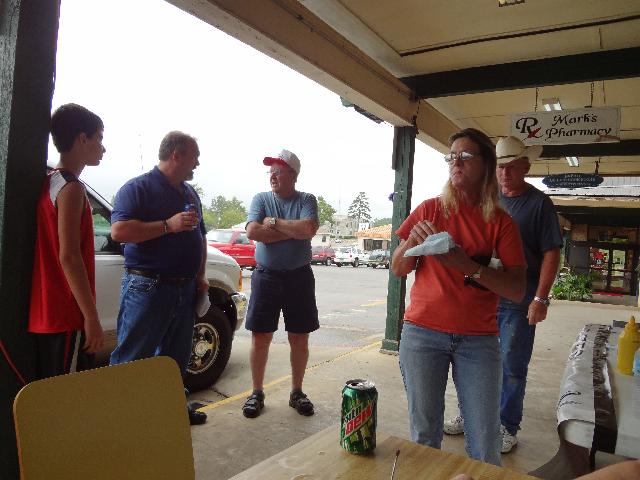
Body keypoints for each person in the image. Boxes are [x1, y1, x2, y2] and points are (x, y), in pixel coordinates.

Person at [392, 128, 526, 465]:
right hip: (422, 334)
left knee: (484, 441)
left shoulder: (501, 223)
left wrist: (468, 266)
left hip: (478, 340)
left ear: (486, 164)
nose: (456, 162)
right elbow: (398, 268)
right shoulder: (430, 210)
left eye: (465, 156)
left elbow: (516, 289)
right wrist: (412, 243)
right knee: (425, 436)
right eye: (451, 156)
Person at [444, 136, 562, 454]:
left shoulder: (539, 204)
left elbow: (551, 253)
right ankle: (471, 414)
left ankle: (507, 425)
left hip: (517, 298)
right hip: (482, 296)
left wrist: (540, 299)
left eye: (512, 167)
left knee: (512, 363)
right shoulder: (487, 199)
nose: (505, 173)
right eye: (501, 167)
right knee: (473, 360)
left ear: (526, 167)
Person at [109, 131, 208, 425]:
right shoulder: (137, 188)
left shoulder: (190, 194)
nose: (197, 163)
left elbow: (200, 237)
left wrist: (200, 276)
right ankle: (120, 422)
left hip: (185, 288)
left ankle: (170, 413)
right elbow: (119, 232)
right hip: (148, 287)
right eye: (194, 156)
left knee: (175, 359)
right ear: (176, 155)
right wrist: (168, 225)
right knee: (133, 358)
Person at [29, 103, 106, 379]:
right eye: (99, 138)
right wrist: (91, 317)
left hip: (47, 314)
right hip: (66, 314)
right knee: (68, 394)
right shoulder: (71, 188)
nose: (103, 148)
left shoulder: (51, 180)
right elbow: (69, 256)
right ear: (82, 139)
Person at [242, 149, 319, 419]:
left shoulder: (307, 200)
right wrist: (293, 232)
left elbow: (308, 230)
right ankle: (256, 392)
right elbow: (252, 231)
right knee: (260, 336)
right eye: (270, 172)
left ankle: (297, 392)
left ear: (293, 175)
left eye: (278, 171)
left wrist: (273, 224)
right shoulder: (260, 198)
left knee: (299, 336)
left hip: (299, 277)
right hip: (266, 276)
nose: (272, 176)